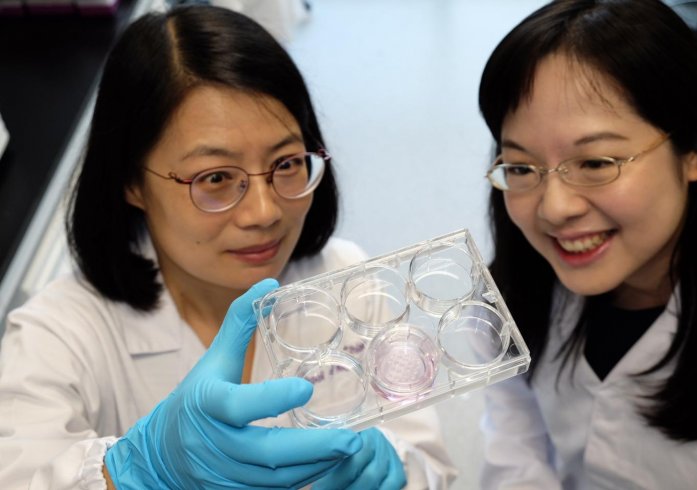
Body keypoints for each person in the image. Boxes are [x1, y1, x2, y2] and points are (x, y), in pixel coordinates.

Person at [0, 5, 456, 489]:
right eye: (216, 178)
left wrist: (400, 470)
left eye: (286, 163)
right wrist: (133, 472)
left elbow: (432, 463)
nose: (264, 212)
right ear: (131, 180)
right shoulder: (59, 336)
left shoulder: (352, 281)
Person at [477, 0, 697, 488]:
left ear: (693, 150)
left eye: (596, 163)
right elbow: (518, 457)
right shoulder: (510, 297)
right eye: (521, 167)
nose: (554, 208)